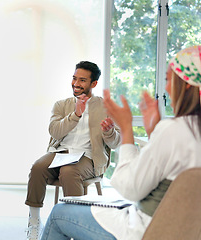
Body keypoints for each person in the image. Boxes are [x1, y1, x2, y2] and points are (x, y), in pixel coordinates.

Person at [41, 45, 201, 240]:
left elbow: (129, 188)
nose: (167, 88)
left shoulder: (175, 130)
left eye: (169, 80)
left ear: (185, 84)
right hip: (185, 230)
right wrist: (154, 132)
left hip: (146, 230)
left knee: (59, 213)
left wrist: (126, 130)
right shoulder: (180, 131)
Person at [25, 61, 121, 240]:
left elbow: (117, 142)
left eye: (82, 80)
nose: (76, 84)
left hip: (88, 157)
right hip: (60, 153)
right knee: (38, 167)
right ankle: (35, 221)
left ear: (93, 84)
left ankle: (74, 226)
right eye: (74, 78)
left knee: (69, 172)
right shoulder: (62, 105)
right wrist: (75, 114)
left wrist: (109, 133)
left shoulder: (106, 107)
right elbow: (54, 131)